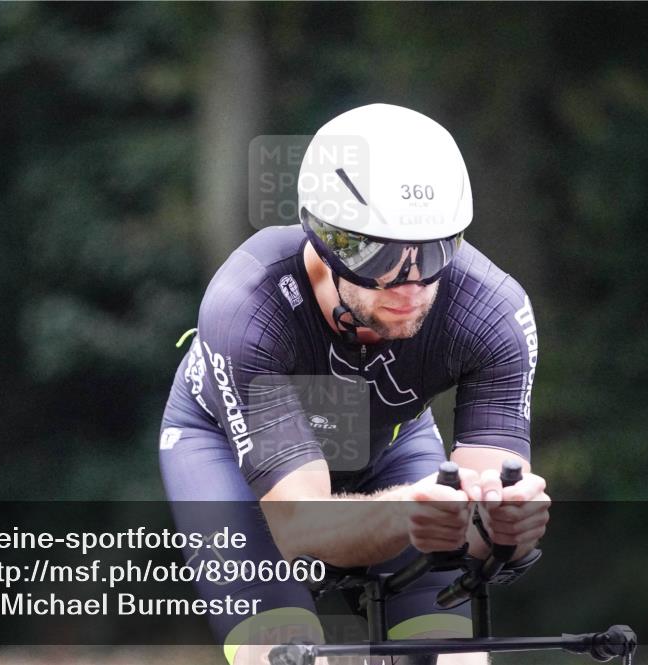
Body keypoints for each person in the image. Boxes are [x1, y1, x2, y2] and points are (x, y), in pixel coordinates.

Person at [159, 103, 550, 665]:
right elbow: (299, 523)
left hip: (388, 444)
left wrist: (507, 525)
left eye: (437, 247)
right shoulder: (249, 307)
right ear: (324, 239)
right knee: (284, 654)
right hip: (227, 453)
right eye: (380, 252)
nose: (410, 281)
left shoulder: (492, 312)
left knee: (454, 658)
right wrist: (409, 513)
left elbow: (479, 532)